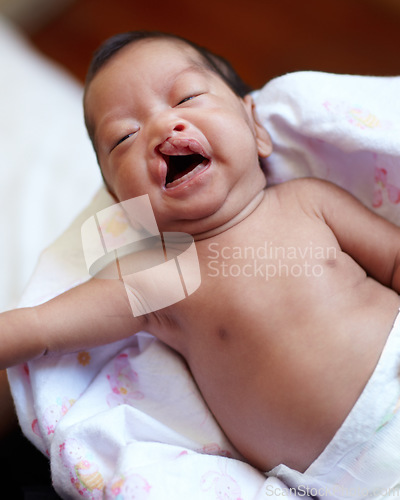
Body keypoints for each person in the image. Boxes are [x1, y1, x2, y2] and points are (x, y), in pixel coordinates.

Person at [1, 31, 400, 486]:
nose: (160, 127)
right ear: (120, 201)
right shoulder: (161, 276)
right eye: (124, 137)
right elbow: (39, 328)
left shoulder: (308, 203)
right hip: (345, 483)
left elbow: (393, 259)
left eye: (187, 97)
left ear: (256, 128)